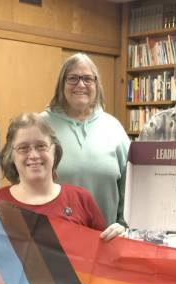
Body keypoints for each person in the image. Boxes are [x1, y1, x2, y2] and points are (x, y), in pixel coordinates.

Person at [0, 113, 125, 280]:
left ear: (54, 151)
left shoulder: (80, 199)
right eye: (23, 148)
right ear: (11, 156)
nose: (33, 155)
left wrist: (118, 244)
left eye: (41, 146)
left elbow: (104, 266)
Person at [41, 53, 130, 226]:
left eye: (88, 79)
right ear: (62, 84)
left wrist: (123, 225)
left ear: (96, 85)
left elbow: (129, 184)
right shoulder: (41, 125)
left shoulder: (113, 127)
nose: (80, 84)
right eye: (73, 78)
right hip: (54, 240)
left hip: (106, 237)